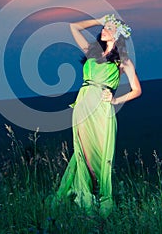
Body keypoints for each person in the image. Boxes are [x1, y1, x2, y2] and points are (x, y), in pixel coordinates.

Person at [53, 14, 142, 218]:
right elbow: (73, 26)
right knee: (82, 151)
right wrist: (99, 19)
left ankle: (103, 199)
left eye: (109, 28)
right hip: (83, 104)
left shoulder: (123, 61)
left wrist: (115, 99)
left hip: (102, 110)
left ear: (117, 36)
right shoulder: (92, 52)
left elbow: (137, 89)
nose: (104, 29)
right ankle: (85, 196)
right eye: (104, 27)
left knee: (101, 153)